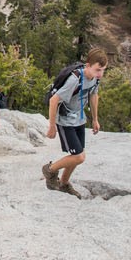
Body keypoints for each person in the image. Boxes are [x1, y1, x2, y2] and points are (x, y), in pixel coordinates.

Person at [41, 48, 109, 195]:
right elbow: (54, 101)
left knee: (76, 157)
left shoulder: (95, 79)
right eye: (98, 70)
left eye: (103, 70)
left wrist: (95, 119)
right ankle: (50, 170)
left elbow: (94, 96)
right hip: (65, 120)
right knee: (79, 157)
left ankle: (64, 184)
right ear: (88, 65)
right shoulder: (75, 79)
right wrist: (52, 126)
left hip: (79, 118)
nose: (100, 74)